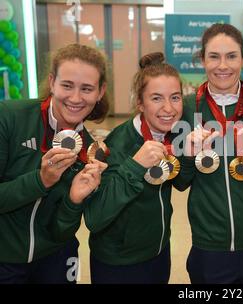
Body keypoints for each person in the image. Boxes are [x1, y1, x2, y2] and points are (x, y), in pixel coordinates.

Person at [177, 23, 243, 284]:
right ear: (202, 59)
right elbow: (180, 182)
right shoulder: (188, 109)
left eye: (231, 56)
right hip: (209, 242)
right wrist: (189, 155)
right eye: (214, 56)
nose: (222, 66)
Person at [0, 43, 108, 283]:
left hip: (57, 259)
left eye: (87, 88)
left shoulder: (91, 153)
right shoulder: (9, 117)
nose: (76, 98)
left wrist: (74, 201)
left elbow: (62, 232)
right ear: (51, 82)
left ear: (100, 92)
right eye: (67, 85)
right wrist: (41, 180)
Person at [83, 52, 184, 284]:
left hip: (159, 252)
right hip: (119, 263)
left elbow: (180, 182)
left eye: (175, 97)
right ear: (140, 102)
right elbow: (95, 218)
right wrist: (135, 165)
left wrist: (190, 153)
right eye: (156, 98)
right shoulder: (115, 145)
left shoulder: (170, 135)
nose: (168, 108)